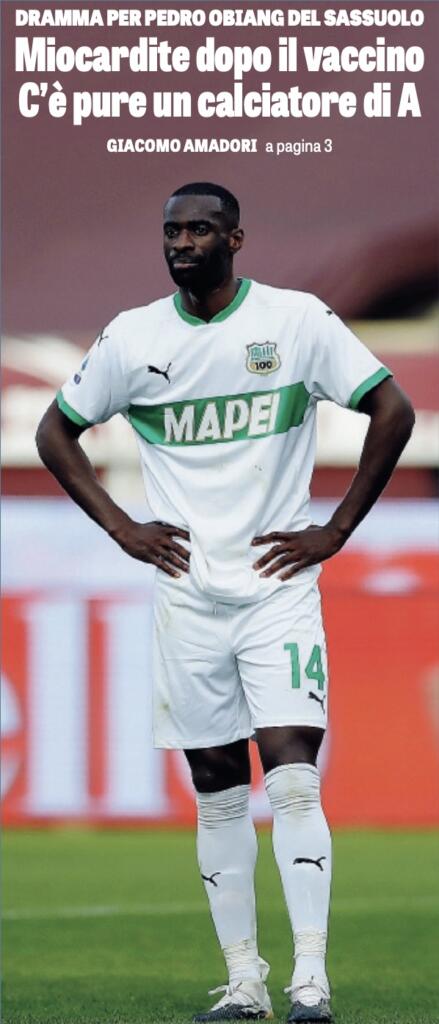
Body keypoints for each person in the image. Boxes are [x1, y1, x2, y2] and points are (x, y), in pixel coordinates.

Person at [36, 182, 414, 1024]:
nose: (182, 242)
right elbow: (54, 432)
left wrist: (336, 528)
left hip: (277, 589)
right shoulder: (134, 337)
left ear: (234, 240)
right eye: (172, 231)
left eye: (200, 229)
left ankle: (309, 981)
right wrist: (122, 527)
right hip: (187, 596)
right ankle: (244, 981)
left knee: (291, 777)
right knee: (215, 788)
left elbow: (391, 407)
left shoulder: (295, 322)